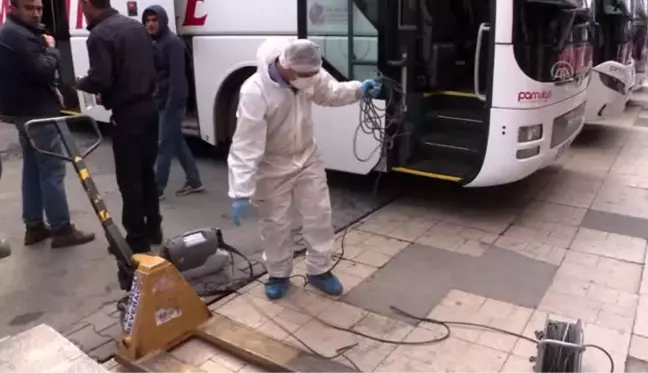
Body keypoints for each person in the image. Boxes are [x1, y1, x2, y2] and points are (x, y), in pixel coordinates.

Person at [228, 38, 382, 300]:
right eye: (307, 75)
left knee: (318, 215)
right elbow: (246, 144)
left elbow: (329, 92)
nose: (313, 79)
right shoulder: (255, 92)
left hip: (307, 156)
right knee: (275, 224)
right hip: (272, 165)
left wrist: (357, 90)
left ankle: (319, 270)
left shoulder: (308, 71)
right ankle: (278, 273)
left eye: (315, 73)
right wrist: (241, 190)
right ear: (286, 67)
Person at [0, 0, 96, 248]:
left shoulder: (11, 32)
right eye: (29, 8)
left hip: (24, 113)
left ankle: (34, 226)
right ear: (14, 7)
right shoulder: (20, 35)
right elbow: (43, 71)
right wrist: (52, 50)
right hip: (39, 113)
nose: (36, 13)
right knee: (52, 170)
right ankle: (61, 228)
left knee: (32, 168)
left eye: (39, 8)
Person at [76, 0, 162, 253]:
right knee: (147, 172)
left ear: (89, 4)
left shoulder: (100, 35)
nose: (81, 10)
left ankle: (137, 238)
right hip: (150, 109)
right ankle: (154, 228)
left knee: (129, 179)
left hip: (128, 115)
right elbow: (154, 62)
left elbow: (101, 78)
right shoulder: (135, 27)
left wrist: (81, 83)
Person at [142, 5, 204, 200]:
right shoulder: (153, 42)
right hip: (161, 100)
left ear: (163, 21)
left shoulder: (172, 43)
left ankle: (157, 188)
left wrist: (170, 108)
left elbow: (177, 79)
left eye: (155, 20)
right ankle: (194, 180)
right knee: (176, 141)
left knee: (164, 144)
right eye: (148, 20)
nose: (151, 24)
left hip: (172, 102)